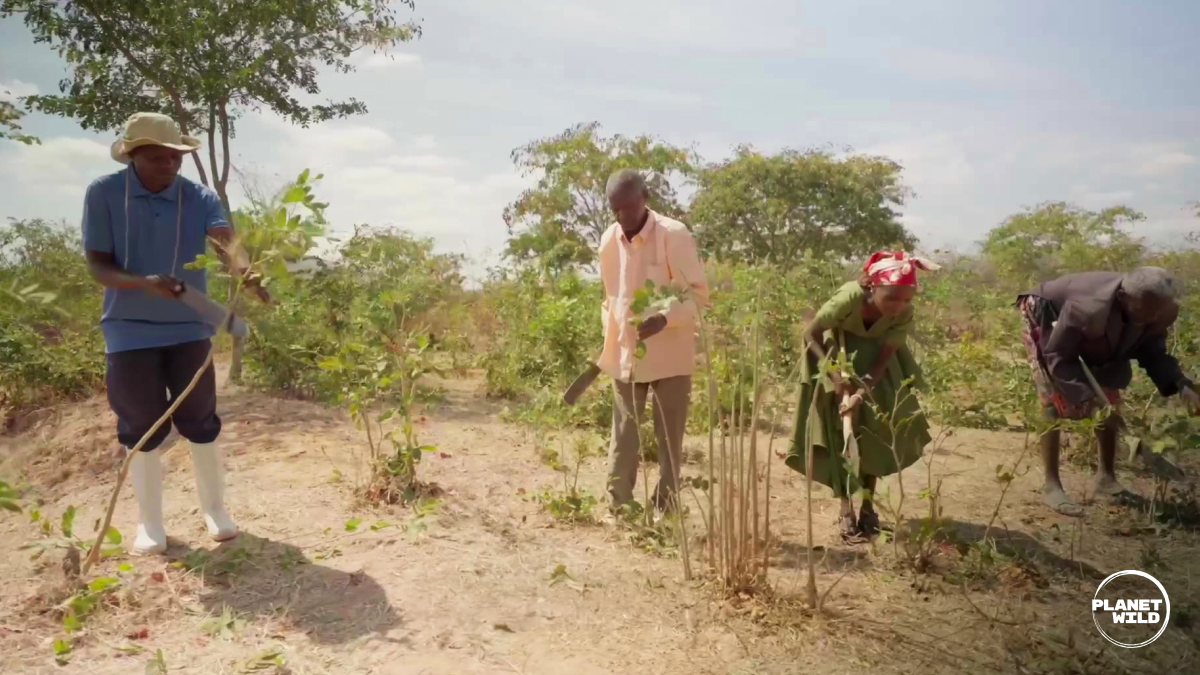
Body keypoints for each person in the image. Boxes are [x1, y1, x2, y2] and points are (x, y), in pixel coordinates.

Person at [82, 112, 267, 555]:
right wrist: (144, 282)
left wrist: (246, 272)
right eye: (158, 157)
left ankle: (215, 511)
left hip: (189, 327)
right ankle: (151, 525)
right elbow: (99, 266)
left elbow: (225, 241)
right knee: (141, 427)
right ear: (133, 157)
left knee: (200, 419)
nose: (169, 164)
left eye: (175, 157)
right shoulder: (104, 194)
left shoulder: (198, 197)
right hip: (129, 331)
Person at [1016, 267, 1200, 516]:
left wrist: (1181, 384)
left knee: (1109, 395)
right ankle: (1051, 485)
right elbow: (1058, 355)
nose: (1151, 317)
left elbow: (1152, 351)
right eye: (1144, 311)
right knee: (1052, 398)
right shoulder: (1087, 307)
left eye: (1156, 311)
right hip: (1047, 310)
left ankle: (1106, 477)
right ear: (1124, 298)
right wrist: (1089, 399)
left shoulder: (1158, 311)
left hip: (1095, 328)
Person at [787, 252, 937, 543]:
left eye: (907, 299)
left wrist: (861, 390)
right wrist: (835, 378)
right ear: (872, 288)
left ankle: (869, 511)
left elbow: (883, 358)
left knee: (875, 432)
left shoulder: (903, 314)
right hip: (833, 356)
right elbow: (811, 334)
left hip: (875, 366)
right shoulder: (849, 297)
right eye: (892, 297)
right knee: (840, 434)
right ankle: (846, 510)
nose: (899, 306)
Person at [597, 169, 709, 517]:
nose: (623, 217)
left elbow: (698, 297)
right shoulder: (608, 241)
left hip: (670, 357)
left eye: (629, 208)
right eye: (615, 210)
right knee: (624, 434)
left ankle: (666, 507)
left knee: (669, 439)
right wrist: (612, 332)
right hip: (627, 354)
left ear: (645, 197)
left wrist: (664, 318)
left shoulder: (673, 235)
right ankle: (620, 507)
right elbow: (610, 298)